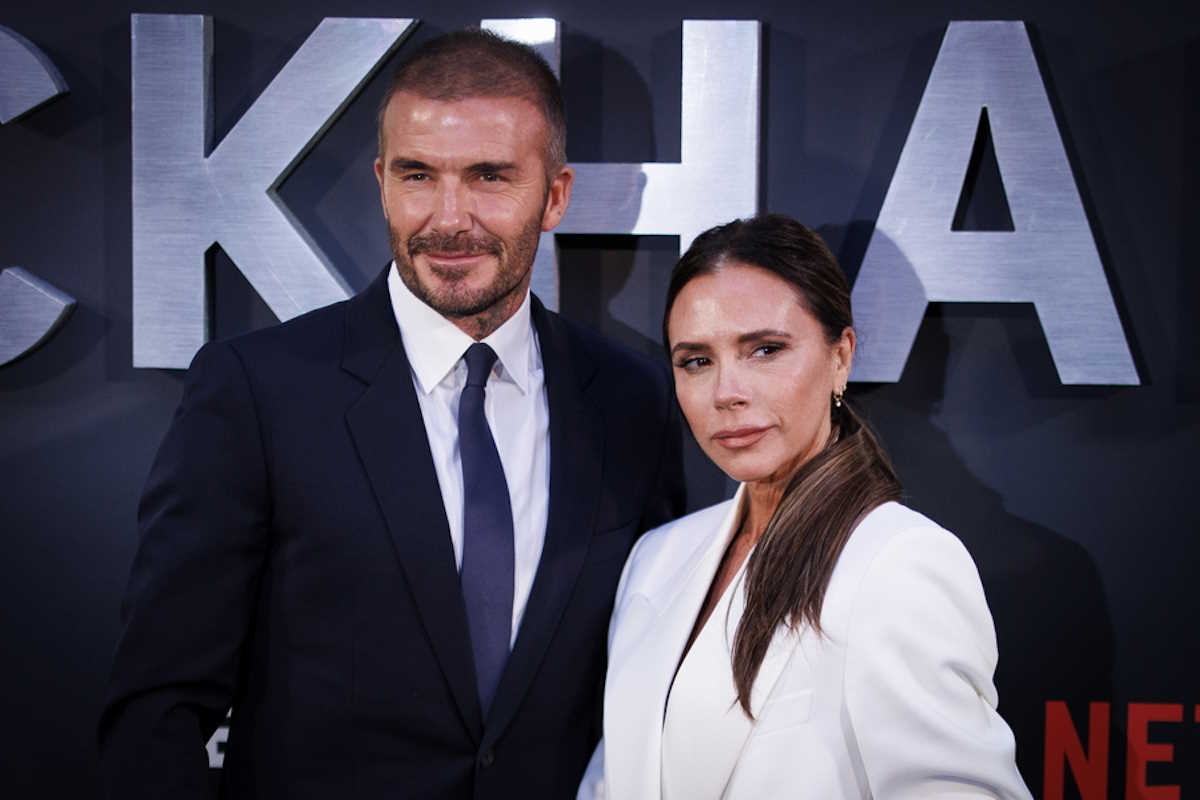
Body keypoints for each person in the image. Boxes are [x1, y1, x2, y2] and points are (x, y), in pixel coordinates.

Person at [99, 30, 685, 799]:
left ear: (555, 196)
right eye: (418, 175)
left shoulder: (630, 401)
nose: (449, 219)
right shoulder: (257, 392)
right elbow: (158, 710)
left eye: (489, 177)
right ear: (381, 181)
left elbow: (652, 682)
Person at [578, 215, 1032, 799]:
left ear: (840, 356)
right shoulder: (658, 557)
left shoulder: (899, 564)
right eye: (696, 361)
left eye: (764, 350)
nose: (727, 392)